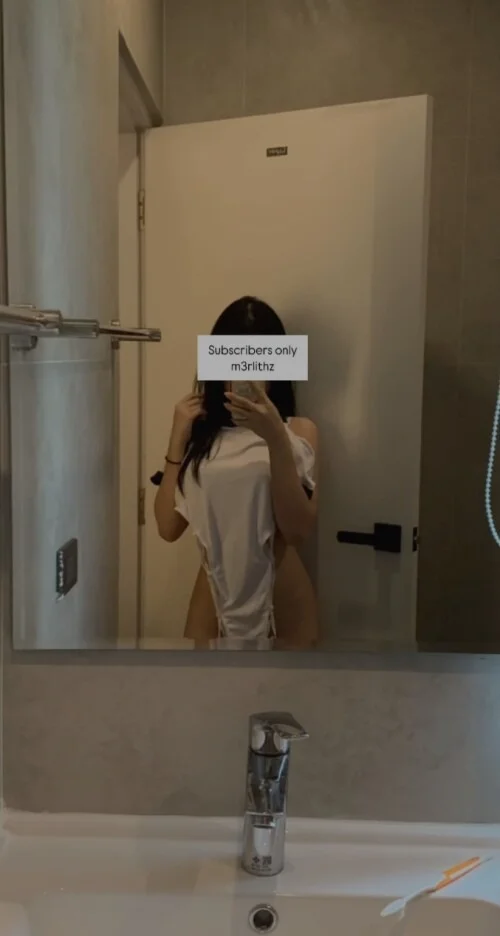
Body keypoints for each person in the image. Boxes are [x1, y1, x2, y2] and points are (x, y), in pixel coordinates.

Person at [153, 296, 319, 649]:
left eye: (260, 361)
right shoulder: (200, 432)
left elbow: (297, 530)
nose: (247, 372)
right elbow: (167, 527)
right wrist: (176, 438)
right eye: (236, 359)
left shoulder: (299, 431)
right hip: (211, 605)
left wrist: (275, 437)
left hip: (284, 603)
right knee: (207, 688)